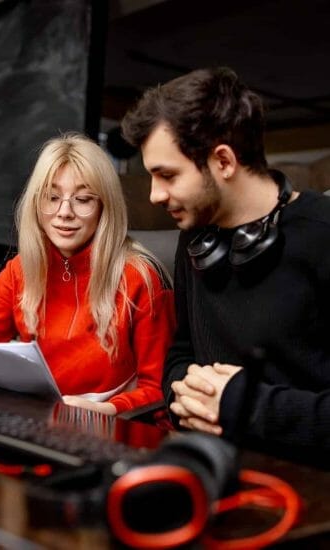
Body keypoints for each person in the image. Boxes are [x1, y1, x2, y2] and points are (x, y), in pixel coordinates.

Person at [121, 66, 330, 460]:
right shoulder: (196, 239)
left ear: (223, 161)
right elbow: (181, 352)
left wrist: (241, 404)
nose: (154, 195)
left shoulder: (322, 234)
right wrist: (183, 394)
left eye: (167, 175)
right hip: (213, 464)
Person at [0, 132, 176, 415]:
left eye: (82, 199)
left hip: (107, 432)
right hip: (39, 422)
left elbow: (159, 392)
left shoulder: (140, 277)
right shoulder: (21, 270)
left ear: (104, 207)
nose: (64, 212)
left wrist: (109, 410)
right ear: (36, 203)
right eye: (52, 197)